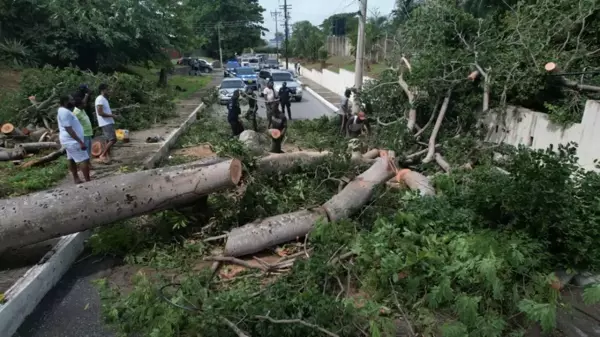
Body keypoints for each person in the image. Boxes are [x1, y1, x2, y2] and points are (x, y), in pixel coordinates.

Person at [57, 95, 90, 184]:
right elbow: (68, 129)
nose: (73, 101)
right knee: (84, 159)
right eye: (71, 100)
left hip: (68, 140)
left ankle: (76, 179)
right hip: (72, 140)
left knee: (71, 158)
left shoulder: (63, 111)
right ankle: (88, 181)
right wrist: (80, 141)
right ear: (65, 102)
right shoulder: (64, 112)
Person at [95, 83, 119, 163]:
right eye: (107, 89)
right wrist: (112, 115)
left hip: (107, 122)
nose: (109, 91)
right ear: (103, 90)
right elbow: (100, 113)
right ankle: (103, 155)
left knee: (108, 140)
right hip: (105, 123)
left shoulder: (104, 99)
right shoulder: (100, 99)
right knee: (113, 139)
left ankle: (108, 157)